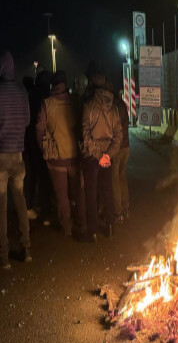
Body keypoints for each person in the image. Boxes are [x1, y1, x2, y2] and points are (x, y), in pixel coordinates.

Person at [35, 70, 86, 239]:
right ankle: (82, 222)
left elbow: (39, 130)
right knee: (78, 192)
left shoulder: (46, 103)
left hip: (56, 158)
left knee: (62, 195)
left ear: (53, 85)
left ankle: (66, 227)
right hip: (75, 155)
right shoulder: (75, 102)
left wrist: (45, 149)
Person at [0, 51, 32, 266]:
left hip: (1, 157)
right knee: (20, 200)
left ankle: (3, 256)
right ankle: (27, 248)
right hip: (18, 155)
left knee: (1, 206)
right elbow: (27, 120)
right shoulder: (22, 91)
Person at [82, 75, 122, 242]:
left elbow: (85, 135)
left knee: (91, 193)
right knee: (107, 190)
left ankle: (92, 232)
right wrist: (108, 155)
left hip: (92, 156)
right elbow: (119, 135)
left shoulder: (89, 106)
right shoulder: (114, 109)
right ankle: (110, 225)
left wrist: (98, 155)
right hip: (107, 156)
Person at [24, 70, 54, 224]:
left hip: (28, 142)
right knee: (44, 178)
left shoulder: (29, 96)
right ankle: (46, 212)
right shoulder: (47, 97)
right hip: (43, 143)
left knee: (30, 176)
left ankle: (28, 207)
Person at [111, 91, 130, 222]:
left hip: (117, 148)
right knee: (122, 176)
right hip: (126, 147)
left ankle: (118, 211)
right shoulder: (122, 105)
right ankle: (126, 207)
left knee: (114, 180)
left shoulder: (112, 107)